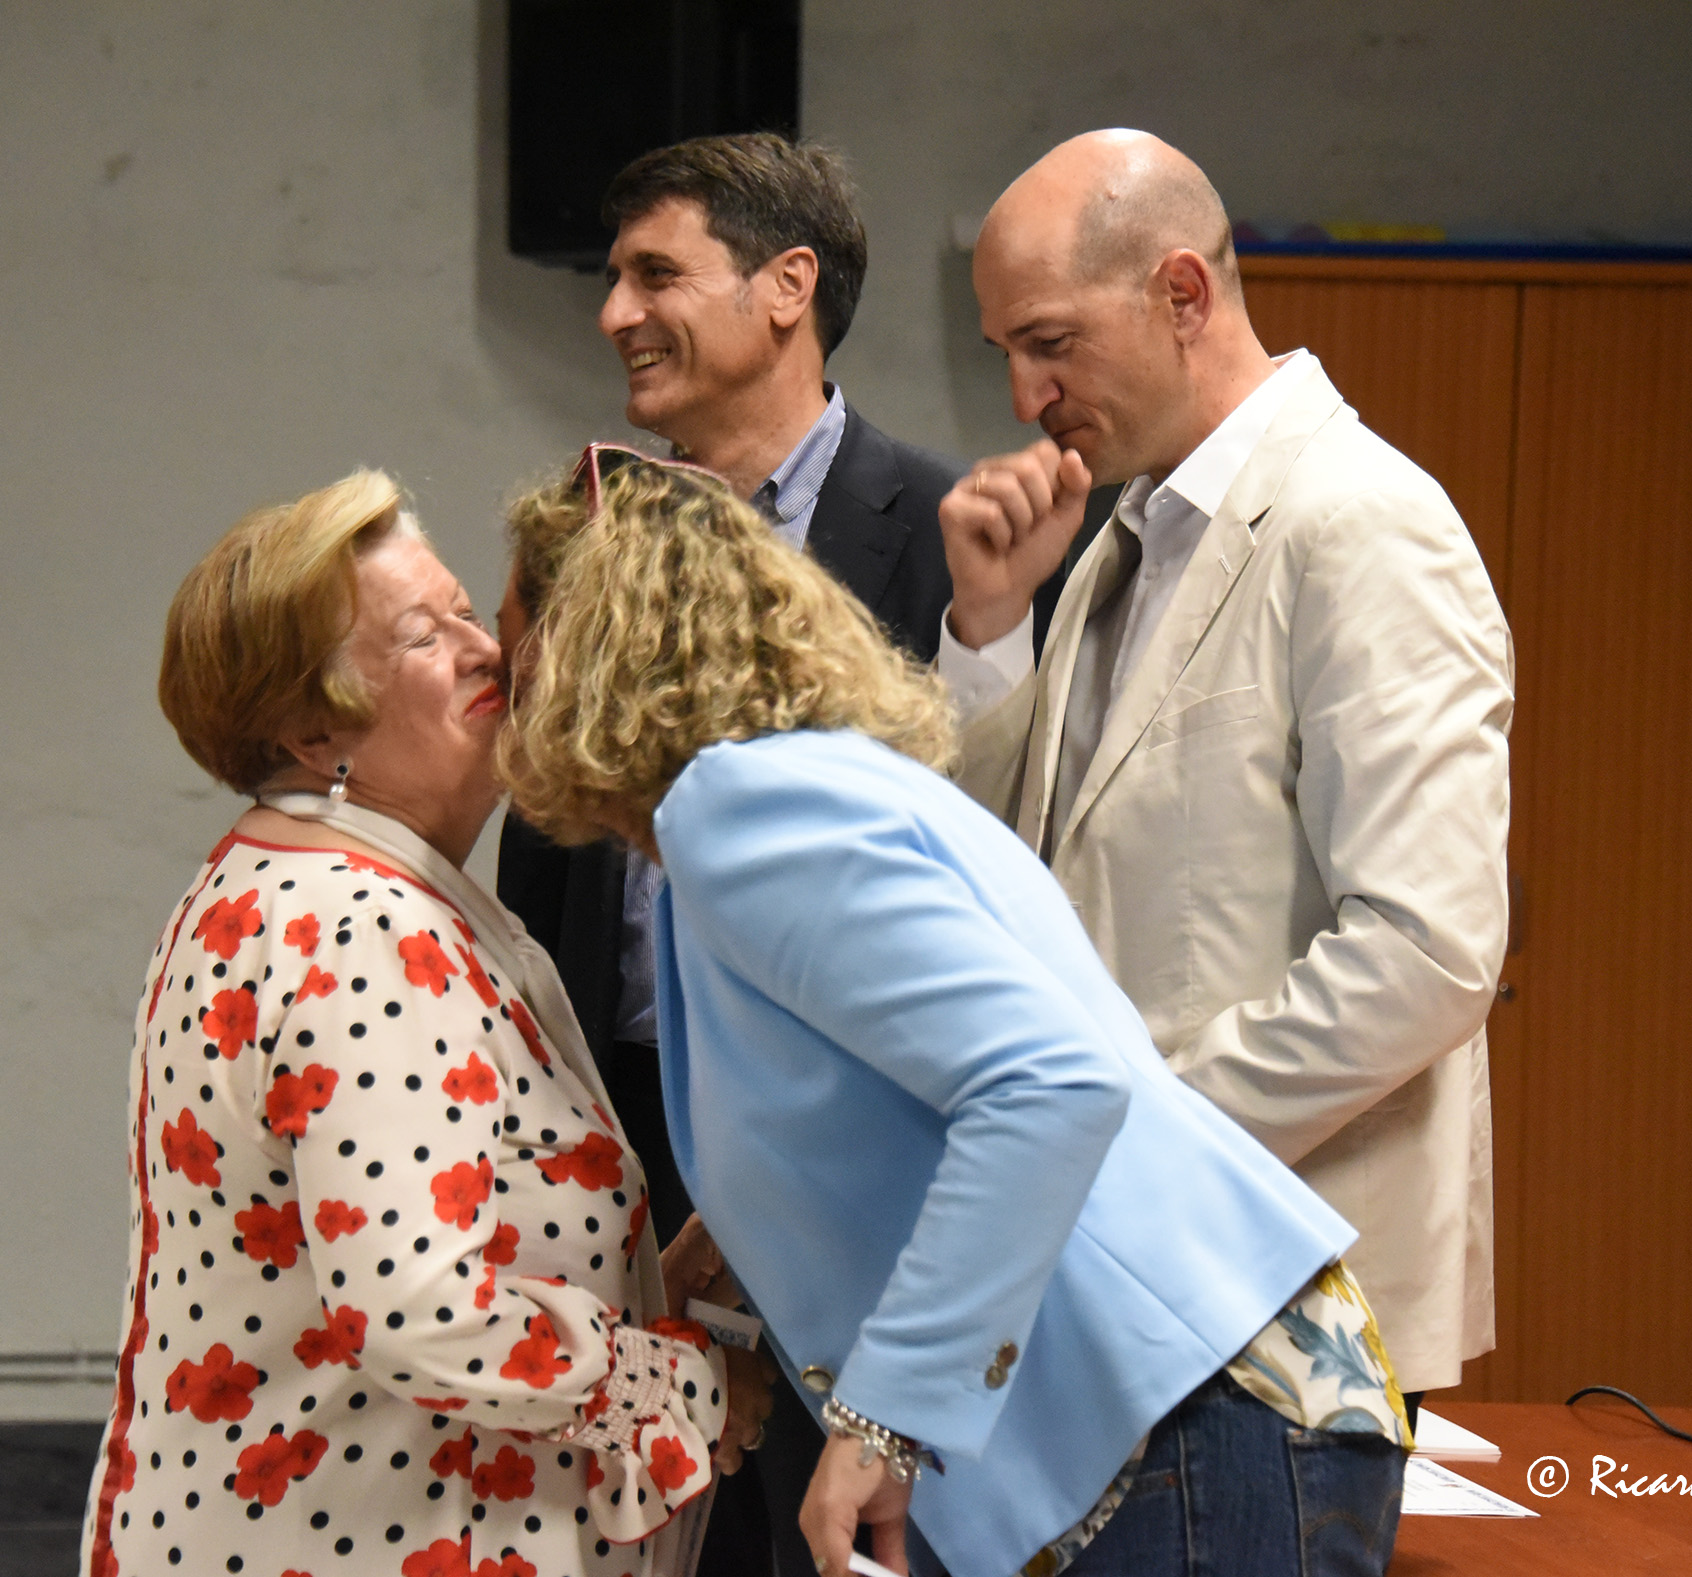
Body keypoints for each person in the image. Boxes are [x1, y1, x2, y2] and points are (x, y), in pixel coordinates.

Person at [496, 450, 1410, 1577]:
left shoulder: (740, 804)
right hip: (1180, 1416)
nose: (495, 665)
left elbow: (1050, 1083)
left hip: (1174, 1409)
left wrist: (887, 1416)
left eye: (505, 628)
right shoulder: (789, 790)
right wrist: (724, 1240)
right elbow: (885, 1082)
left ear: (580, 647)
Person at [495, 130, 1051, 1577]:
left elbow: (986, 848)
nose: (613, 313)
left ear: (786, 286)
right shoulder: (600, 529)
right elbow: (543, 838)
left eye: (653, 274)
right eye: (614, 279)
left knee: (826, 1534)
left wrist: (991, 635)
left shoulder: (950, 537)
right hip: (624, 1132)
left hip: (847, 1155)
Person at [79, 469, 758, 1577]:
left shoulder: (286, 878)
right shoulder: (364, 927)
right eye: (423, 637)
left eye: (465, 611)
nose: (489, 650)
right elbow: (420, 1310)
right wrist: (677, 1383)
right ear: (313, 730)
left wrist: (649, 1286)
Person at [934, 130, 1515, 1414]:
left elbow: (1424, 951)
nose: (1025, 396)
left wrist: (1124, 1139)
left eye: (1050, 342)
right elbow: (1020, 874)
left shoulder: (1361, 519)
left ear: (1183, 294)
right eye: (1007, 354)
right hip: (1125, 1285)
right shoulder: (1121, 537)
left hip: (1280, 1302)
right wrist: (989, 627)